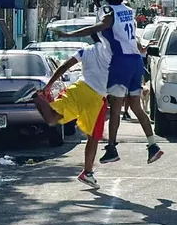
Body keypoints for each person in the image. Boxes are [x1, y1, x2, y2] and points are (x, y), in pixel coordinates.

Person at [54, 0, 163, 164]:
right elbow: (127, 34)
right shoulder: (128, 12)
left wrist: (68, 35)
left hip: (121, 62)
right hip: (136, 61)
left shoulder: (109, 16)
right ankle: (153, 145)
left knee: (116, 107)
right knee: (136, 107)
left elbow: (95, 27)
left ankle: (112, 148)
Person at [22, 35, 111, 188]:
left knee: (52, 119)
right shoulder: (112, 52)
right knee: (93, 137)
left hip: (79, 88)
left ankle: (36, 97)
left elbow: (64, 66)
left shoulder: (85, 51)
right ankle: (87, 172)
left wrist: (49, 85)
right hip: (96, 98)